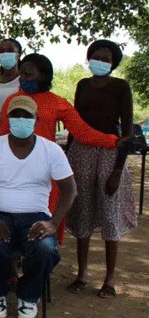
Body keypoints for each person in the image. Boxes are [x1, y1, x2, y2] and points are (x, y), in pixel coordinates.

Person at [0, 53, 127, 244]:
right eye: (22, 75)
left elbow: (82, 132)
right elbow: (3, 136)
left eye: (29, 74)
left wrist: (112, 141)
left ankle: (39, 266)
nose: (24, 79)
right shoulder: (12, 101)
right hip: (14, 167)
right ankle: (13, 266)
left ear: (42, 76)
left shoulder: (57, 102)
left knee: (43, 220)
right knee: (11, 215)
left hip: (45, 170)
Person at [0, 96, 77, 318]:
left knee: (46, 250)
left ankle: (28, 295)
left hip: (36, 216)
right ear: (8, 120)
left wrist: (53, 223)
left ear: (36, 119)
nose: (21, 120)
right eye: (16, 115)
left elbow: (70, 190)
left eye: (26, 115)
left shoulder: (51, 150)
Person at [65, 40, 136, 299]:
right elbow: (74, 123)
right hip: (81, 152)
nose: (99, 60)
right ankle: (82, 273)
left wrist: (117, 170)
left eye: (105, 57)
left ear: (113, 62)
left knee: (109, 214)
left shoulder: (121, 87)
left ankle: (109, 278)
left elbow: (126, 132)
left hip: (109, 153)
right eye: (95, 56)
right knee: (82, 211)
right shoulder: (83, 85)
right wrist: (67, 159)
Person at [0, 38, 23, 105]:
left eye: (10, 51)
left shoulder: (24, 82)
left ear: (19, 55)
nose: (5, 54)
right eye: (1, 51)